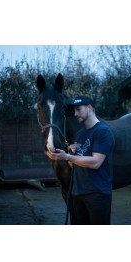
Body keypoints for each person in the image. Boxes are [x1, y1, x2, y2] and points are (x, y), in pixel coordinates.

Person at [45, 96, 115, 225]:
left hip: (97, 194)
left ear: (89, 108)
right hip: (78, 193)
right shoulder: (80, 134)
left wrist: (67, 156)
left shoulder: (103, 131)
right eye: (74, 111)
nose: (75, 114)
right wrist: (67, 155)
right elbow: (74, 165)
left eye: (78, 109)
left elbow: (96, 162)